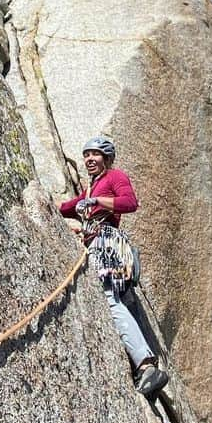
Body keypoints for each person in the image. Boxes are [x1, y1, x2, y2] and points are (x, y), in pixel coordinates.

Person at [59, 135, 169, 398]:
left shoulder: (114, 177)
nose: (89, 159)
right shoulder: (88, 190)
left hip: (107, 244)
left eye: (95, 155)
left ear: (106, 159)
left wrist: (98, 202)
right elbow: (64, 208)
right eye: (86, 155)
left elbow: (129, 202)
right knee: (111, 298)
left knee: (109, 299)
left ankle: (146, 364)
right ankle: (143, 363)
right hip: (96, 243)